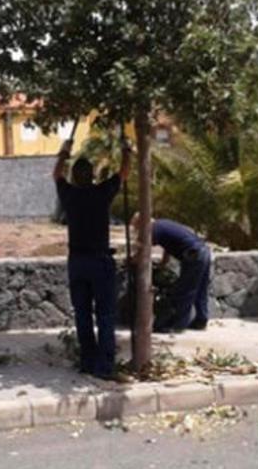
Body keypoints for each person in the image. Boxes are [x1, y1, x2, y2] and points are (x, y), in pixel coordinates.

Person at [53, 137, 131, 380]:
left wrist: (64, 153)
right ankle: (104, 366)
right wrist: (127, 149)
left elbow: (56, 174)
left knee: (82, 314)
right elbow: (124, 172)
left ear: (75, 177)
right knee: (105, 314)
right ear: (93, 176)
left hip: (77, 263)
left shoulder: (68, 195)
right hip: (99, 262)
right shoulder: (101, 193)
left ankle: (87, 361)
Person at [132, 214, 211, 333]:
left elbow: (144, 249)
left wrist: (132, 259)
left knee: (185, 290)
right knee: (200, 289)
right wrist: (163, 262)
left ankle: (178, 325)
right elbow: (168, 245)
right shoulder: (162, 225)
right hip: (203, 251)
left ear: (142, 223)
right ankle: (201, 320)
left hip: (193, 254)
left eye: (137, 227)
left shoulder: (153, 229)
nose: (138, 230)